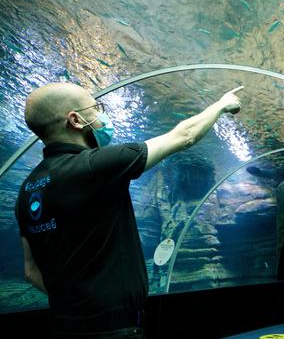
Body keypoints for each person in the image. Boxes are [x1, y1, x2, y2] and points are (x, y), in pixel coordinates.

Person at [14, 82, 243, 338]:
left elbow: (31, 271)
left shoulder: (27, 190)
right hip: (115, 330)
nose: (101, 114)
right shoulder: (95, 165)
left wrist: (76, 305)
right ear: (76, 120)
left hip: (64, 327)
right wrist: (222, 104)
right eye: (96, 107)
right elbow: (184, 136)